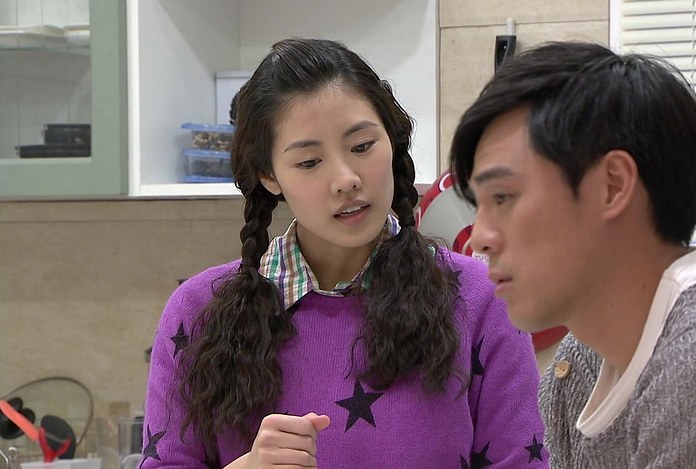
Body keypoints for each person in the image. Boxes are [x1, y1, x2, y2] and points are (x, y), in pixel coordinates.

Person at [142, 38, 548, 468]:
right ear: (268, 175)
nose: (346, 179)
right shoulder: (198, 312)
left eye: (362, 146)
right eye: (309, 162)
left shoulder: (480, 300)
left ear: (392, 140)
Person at [449, 41, 696, 468]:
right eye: (478, 204)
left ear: (613, 186)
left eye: (503, 197)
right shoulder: (584, 360)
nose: (478, 239)